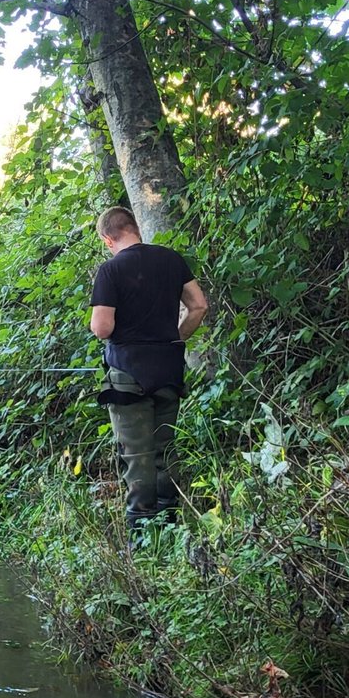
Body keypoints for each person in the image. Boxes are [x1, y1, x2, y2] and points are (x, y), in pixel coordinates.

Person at [89, 206, 209, 533]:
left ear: (107, 239)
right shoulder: (171, 259)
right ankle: (169, 528)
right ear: (134, 228)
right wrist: (176, 337)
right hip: (169, 369)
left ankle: (142, 540)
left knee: (137, 457)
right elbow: (198, 305)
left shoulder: (111, 270)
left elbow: (102, 327)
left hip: (129, 375)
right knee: (163, 450)